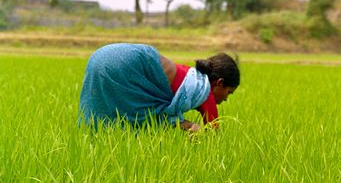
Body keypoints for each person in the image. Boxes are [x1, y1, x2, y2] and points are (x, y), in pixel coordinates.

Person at [78, 43, 240, 131]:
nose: (225, 99)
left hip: (103, 54)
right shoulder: (206, 94)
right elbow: (215, 136)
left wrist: (189, 126)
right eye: (228, 93)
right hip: (127, 63)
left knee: (107, 120)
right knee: (136, 120)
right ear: (218, 83)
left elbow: (161, 116)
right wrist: (197, 131)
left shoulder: (188, 75)